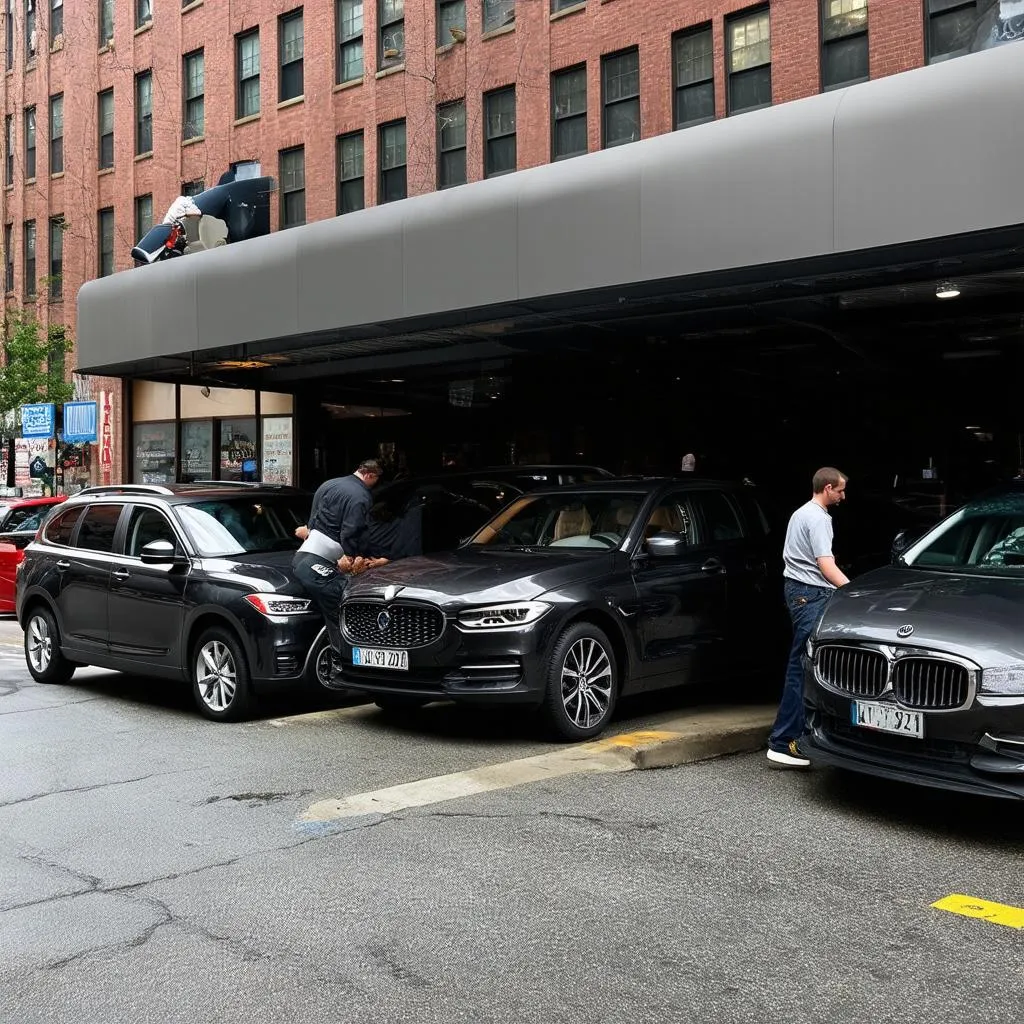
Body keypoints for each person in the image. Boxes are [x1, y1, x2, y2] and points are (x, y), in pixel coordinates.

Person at [767, 466, 850, 769]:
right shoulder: (819, 519)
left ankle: (795, 737)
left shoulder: (799, 513)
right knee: (802, 668)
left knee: (801, 666)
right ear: (827, 488)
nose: (843, 496)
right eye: (840, 490)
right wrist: (853, 591)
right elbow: (825, 565)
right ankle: (783, 742)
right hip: (812, 594)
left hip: (797, 591)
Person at [291, 459, 384, 680]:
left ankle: (340, 663)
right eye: (377, 480)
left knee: (333, 609)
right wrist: (352, 556)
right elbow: (351, 531)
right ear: (371, 475)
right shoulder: (361, 496)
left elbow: (313, 521)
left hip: (304, 557)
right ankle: (347, 665)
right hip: (317, 562)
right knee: (344, 606)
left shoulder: (329, 484)